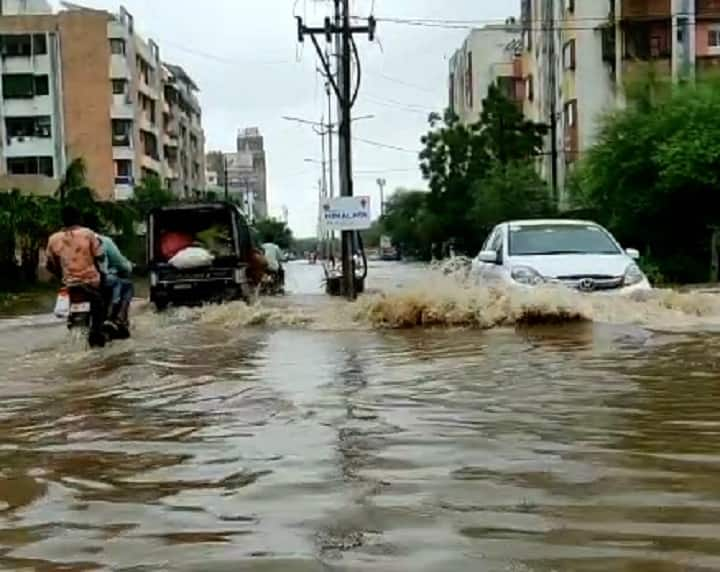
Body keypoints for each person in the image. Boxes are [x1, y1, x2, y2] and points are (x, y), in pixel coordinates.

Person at [46, 206, 106, 347]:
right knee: (101, 305)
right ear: (79, 218)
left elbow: (49, 264)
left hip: (69, 284)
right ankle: (96, 332)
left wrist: (61, 275)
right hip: (91, 282)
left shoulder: (53, 239)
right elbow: (100, 256)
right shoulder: (87, 234)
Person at [84, 213, 134, 338]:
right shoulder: (102, 241)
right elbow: (120, 263)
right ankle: (117, 318)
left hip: (72, 280)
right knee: (127, 285)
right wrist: (128, 267)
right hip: (97, 280)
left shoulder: (68, 241)